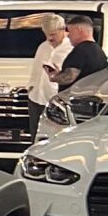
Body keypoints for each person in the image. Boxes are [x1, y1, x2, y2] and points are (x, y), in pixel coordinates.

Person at [28, 12, 71, 142]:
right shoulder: (43, 46)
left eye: (53, 34)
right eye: (46, 34)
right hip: (36, 98)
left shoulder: (72, 48)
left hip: (57, 101)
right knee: (35, 138)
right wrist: (30, 87)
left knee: (56, 139)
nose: (49, 38)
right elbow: (36, 71)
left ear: (63, 30)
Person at [56, 16, 108, 96]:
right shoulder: (98, 51)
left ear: (78, 30)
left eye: (70, 31)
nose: (68, 35)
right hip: (90, 98)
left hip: (75, 98)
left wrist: (54, 77)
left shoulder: (80, 51)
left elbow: (69, 77)